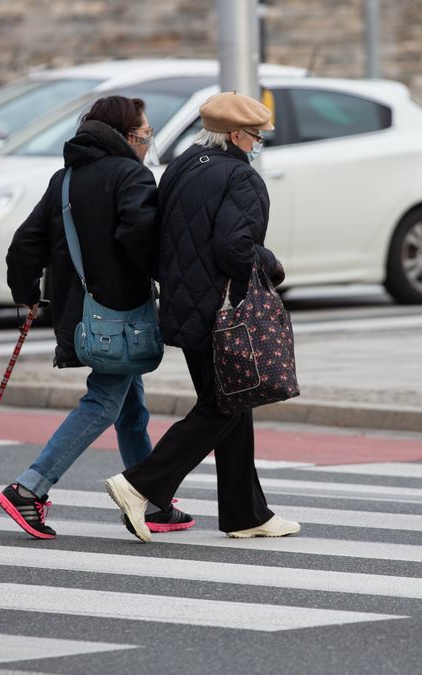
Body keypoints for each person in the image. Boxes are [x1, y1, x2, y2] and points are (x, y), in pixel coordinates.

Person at [103, 92, 300, 543]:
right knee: (223, 405)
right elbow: (234, 249)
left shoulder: (183, 165)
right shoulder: (241, 179)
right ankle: (140, 484)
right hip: (222, 315)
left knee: (234, 401)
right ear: (235, 135)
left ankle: (246, 513)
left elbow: (158, 238)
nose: (258, 145)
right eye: (256, 137)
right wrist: (269, 263)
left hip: (182, 308)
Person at [0, 95, 194, 539]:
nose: (148, 144)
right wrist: (170, 276)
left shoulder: (64, 180)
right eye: (145, 136)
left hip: (81, 316)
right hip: (120, 318)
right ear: (126, 137)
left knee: (131, 407)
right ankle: (30, 488)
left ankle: (151, 498)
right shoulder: (131, 176)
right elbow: (140, 237)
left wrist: (26, 295)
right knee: (105, 401)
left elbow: (24, 246)